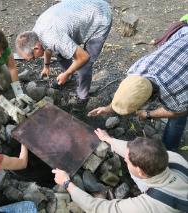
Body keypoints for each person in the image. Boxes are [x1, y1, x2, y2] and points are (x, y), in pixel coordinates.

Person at [88, 25, 188, 151]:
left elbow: (177, 112)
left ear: (147, 101)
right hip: (184, 35)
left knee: (178, 119)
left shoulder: (176, 95)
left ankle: (169, 150)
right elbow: (127, 91)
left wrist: (148, 114)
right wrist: (109, 108)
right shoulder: (137, 69)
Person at [52, 128, 188, 213]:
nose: (124, 160)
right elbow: (135, 150)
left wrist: (66, 183)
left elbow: (97, 208)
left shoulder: (149, 206)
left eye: (127, 161)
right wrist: (109, 140)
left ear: (140, 171)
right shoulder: (173, 158)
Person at [15, 0, 112, 111]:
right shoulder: (35, 34)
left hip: (99, 17)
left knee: (83, 67)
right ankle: (69, 77)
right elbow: (47, 47)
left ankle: (82, 98)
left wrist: (66, 73)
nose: (33, 60)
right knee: (60, 53)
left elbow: (84, 57)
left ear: (36, 48)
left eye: (32, 57)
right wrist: (46, 66)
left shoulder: (54, 38)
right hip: (81, 12)